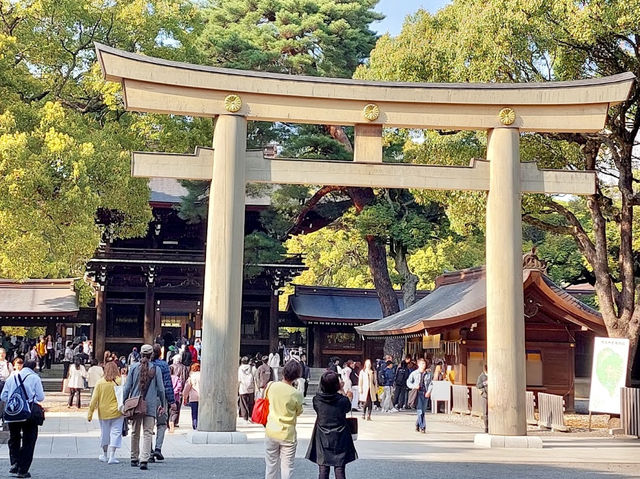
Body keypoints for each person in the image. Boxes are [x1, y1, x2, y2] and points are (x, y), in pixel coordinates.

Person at [306, 371, 357, 479]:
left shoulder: (317, 400)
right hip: (340, 435)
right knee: (339, 468)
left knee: (323, 468)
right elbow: (347, 408)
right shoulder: (343, 400)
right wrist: (342, 391)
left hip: (322, 435)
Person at [122, 343, 166, 470]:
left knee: (135, 431)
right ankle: (144, 459)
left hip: (135, 404)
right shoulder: (156, 369)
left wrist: (124, 402)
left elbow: (127, 387)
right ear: (151, 355)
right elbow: (161, 389)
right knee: (148, 432)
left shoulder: (134, 368)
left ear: (140, 354)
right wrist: (162, 403)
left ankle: (133, 457)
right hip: (151, 405)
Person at [2, 358, 45, 478]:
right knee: (29, 440)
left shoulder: (12, 377)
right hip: (28, 413)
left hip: (13, 412)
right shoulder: (35, 378)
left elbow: (3, 395)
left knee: (14, 438)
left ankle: (15, 462)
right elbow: (40, 397)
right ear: (34, 367)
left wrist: (15, 401)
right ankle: (23, 469)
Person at [264, 360, 304, 479]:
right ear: (297, 376)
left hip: (271, 430)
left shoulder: (272, 386)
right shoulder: (296, 393)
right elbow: (299, 412)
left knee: (271, 465)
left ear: (283, 372)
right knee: (287, 466)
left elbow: (266, 399)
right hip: (287, 433)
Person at [87, 361, 124, 464]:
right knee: (116, 433)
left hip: (103, 412)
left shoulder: (100, 382)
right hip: (118, 411)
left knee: (105, 433)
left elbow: (94, 399)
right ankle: (112, 455)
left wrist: (90, 414)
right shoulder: (120, 381)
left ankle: (104, 454)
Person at [151, 344, 174, 462]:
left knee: (148, 426)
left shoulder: (145, 365)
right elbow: (167, 385)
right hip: (161, 398)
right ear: (160, 353)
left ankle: (148, 450)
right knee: (161, 424)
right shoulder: (164, 365)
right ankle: (158, 448)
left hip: (147, 398)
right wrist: (172, 401)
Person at [406, 358, 433, 434]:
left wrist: (429, 392)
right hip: (418, 393)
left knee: (423, 410)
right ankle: (422, 427)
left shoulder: (428, 374)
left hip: (425, 393)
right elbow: (408, 382)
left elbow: (431, 384)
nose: (423, 365)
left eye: (424, 364)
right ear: (418, 364)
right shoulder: (414, 373)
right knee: (420, 410)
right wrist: (414, 386)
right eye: (421, 364)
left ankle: (418, 424)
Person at [170, 354, 189, 428]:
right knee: (178, 406)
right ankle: (175, 421)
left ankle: (170, 420)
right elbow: (185, 378)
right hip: (180, 389)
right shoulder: (184, 368)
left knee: (170, 406)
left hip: (172, 388)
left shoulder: (171, 366)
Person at [182, 363, 200, 430]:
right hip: (202, 398)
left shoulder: (191, 377)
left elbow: (187, 388)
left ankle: (195, 426)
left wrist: (185, 398)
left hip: (193, 397)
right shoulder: (204, 376)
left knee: (194, 413)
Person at [238, 356, 255, 422]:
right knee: (251, 403)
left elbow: (239, 379)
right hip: (251, 388)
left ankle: (245, 417)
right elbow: (254, 377)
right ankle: (251, 415)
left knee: (243, 403)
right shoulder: (252, 368)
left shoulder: (240, 368)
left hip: (243, 388)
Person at [0, 347, 14, 423]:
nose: (1, 355)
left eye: (3, 353)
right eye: (0, 354)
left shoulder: (8, 364)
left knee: (4, 402)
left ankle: (4, 418)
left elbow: (12, 375)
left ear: (5, 354)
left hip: (5, 384)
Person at [168, 366, 183, 433]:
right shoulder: (177, 378)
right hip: (175, 397)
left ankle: (168, 423)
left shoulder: (166, 378)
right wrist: (175, 391)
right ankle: (172, 421)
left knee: (168, 410)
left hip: (167, 397)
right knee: (174, 411)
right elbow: (179, 386)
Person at [476, 364, 488, 433]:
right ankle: (486, 427)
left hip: (492, 395)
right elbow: (478, 385)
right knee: (485, 412)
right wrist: (484, 383)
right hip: (485, 395)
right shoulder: (481, 376)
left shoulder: (492, 375)